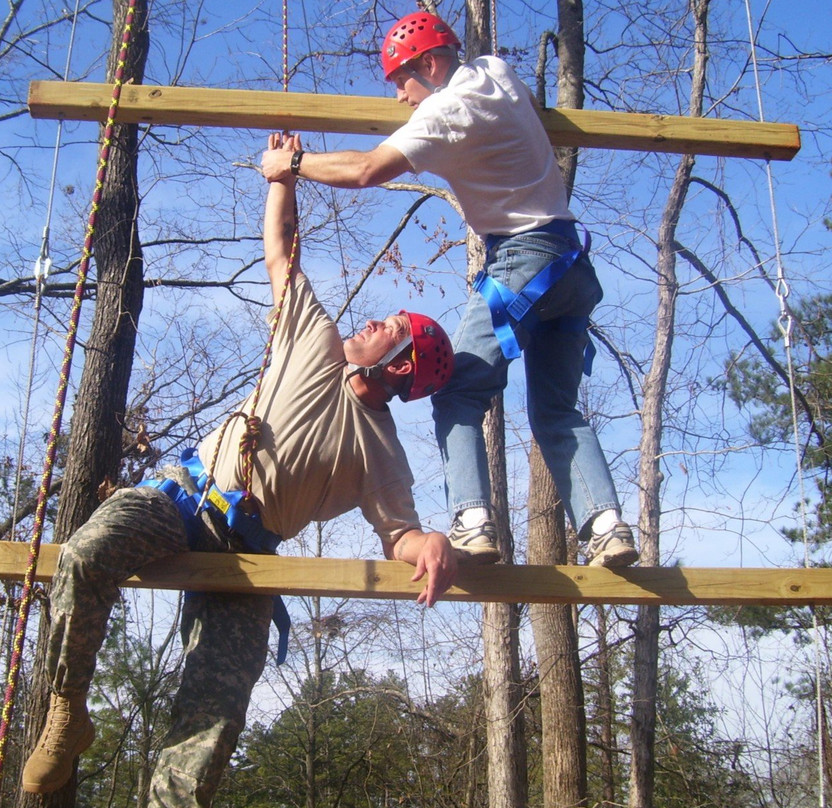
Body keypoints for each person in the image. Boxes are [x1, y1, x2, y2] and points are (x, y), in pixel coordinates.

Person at [21, 132, 460, 802]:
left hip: (251, 558)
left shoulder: (383, 455)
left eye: (387, 327)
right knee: (86, 554)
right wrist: (281, 177)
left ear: (398, 365)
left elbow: (397, 533)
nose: (370, 321)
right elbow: (282, 253)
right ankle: (66, 710)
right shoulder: (312, 339)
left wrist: (425, 541)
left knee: (213, 718)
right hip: (183, 501)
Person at [260, 11, 638, 569]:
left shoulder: (447, 109)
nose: (398, 98)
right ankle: (607, 526)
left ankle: (473, 521)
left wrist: (289, 163)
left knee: (459, 387)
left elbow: (366, 168)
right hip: (572, 264)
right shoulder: (495, 71)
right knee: (557, 410)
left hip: (523, 259)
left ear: (431, 65)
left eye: (400, 81)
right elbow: (533, 112)